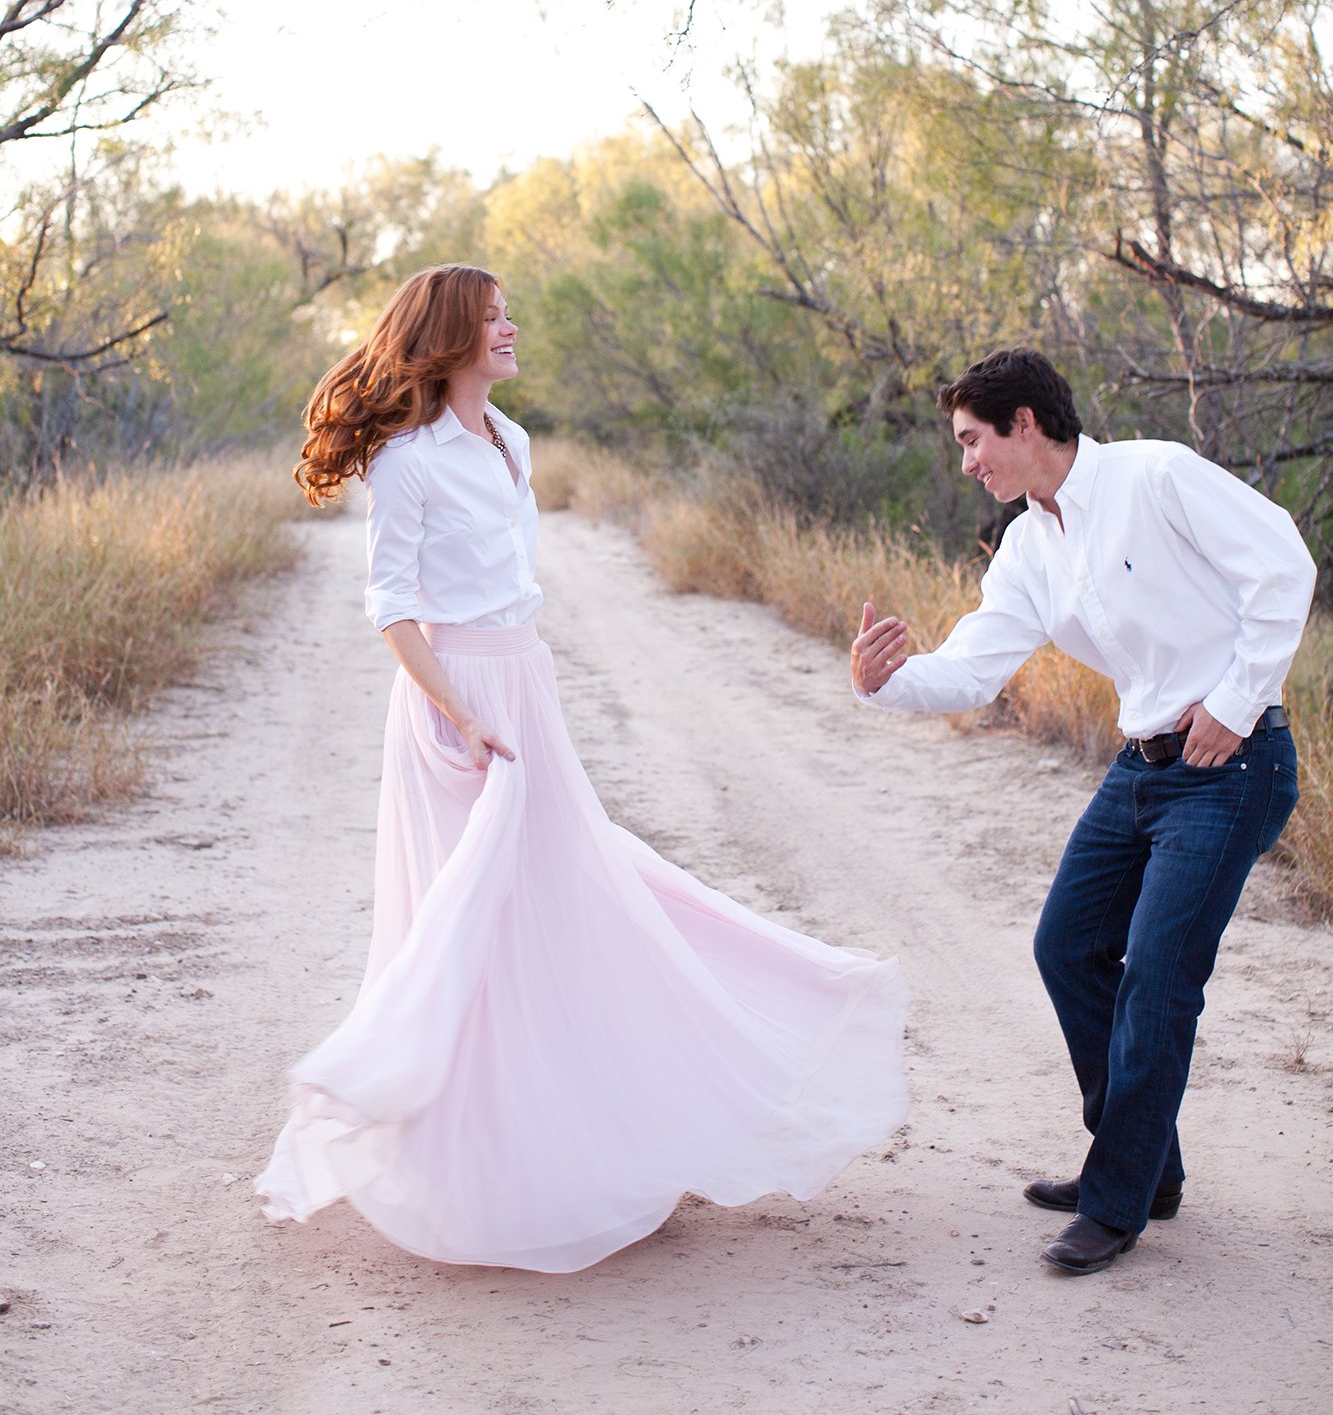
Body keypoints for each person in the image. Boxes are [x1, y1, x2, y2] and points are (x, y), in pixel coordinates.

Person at [256, 264, 908, 1272]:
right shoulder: (406, 458)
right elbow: (392, 608)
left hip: (527, 686)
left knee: (568, 905)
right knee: (472, 926)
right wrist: (461, 712)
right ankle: (461, 1165)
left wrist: (508, 699)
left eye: (509, 311)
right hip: (454, 703)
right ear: (447, 336)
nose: (511, 328)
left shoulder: (513, 442)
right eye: (490, 318)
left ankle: (605, 1132)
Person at [850, 348, 1315, 1277]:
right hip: (1140, 767)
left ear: (1025, 423)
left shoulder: (1158, 475)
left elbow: (1284, 568)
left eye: (973, 441)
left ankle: (1115, 1203)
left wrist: (1232, 700)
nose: (968, 462)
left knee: (1158, 978)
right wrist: (885, 681)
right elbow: (976, 665)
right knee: (1066, 948)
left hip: (1233, 763)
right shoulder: (1028, 544)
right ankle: (1146, 1170)